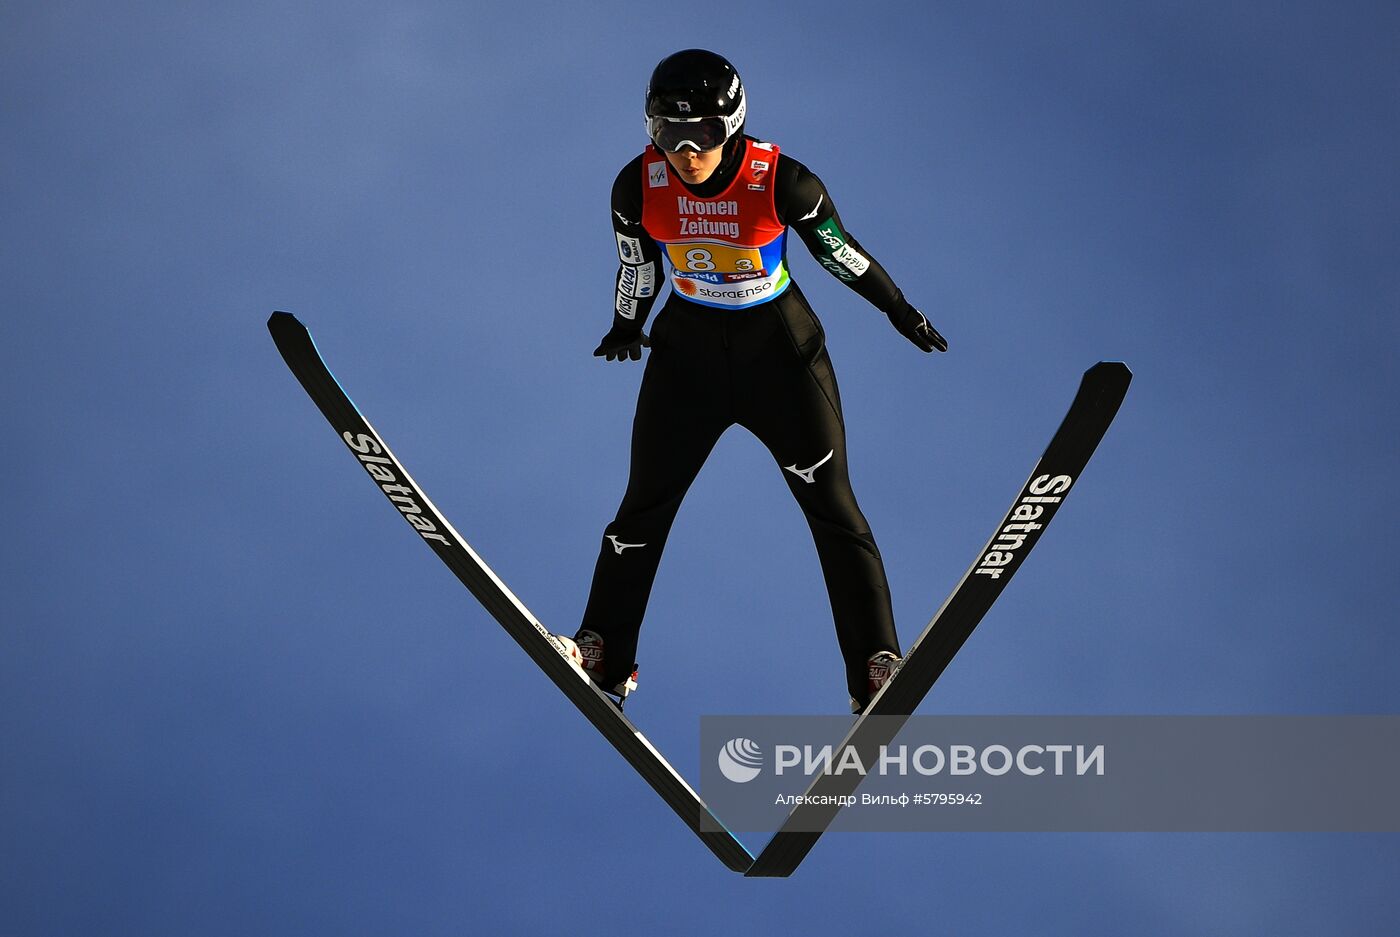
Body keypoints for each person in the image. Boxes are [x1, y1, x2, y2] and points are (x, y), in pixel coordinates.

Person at [557, 49, 946, 714]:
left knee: (833, 505)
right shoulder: (637, 186)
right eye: (667, 134)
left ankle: (875, 666)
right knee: (643, 504)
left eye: (703, 133)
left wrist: (900, 309)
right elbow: (637, 269)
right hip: (688, 358)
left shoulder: (782, 181)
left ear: (731, 124)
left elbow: (840, 253)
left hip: (782, 356)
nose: (686, 152)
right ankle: (603, 653)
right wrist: (627, 325)